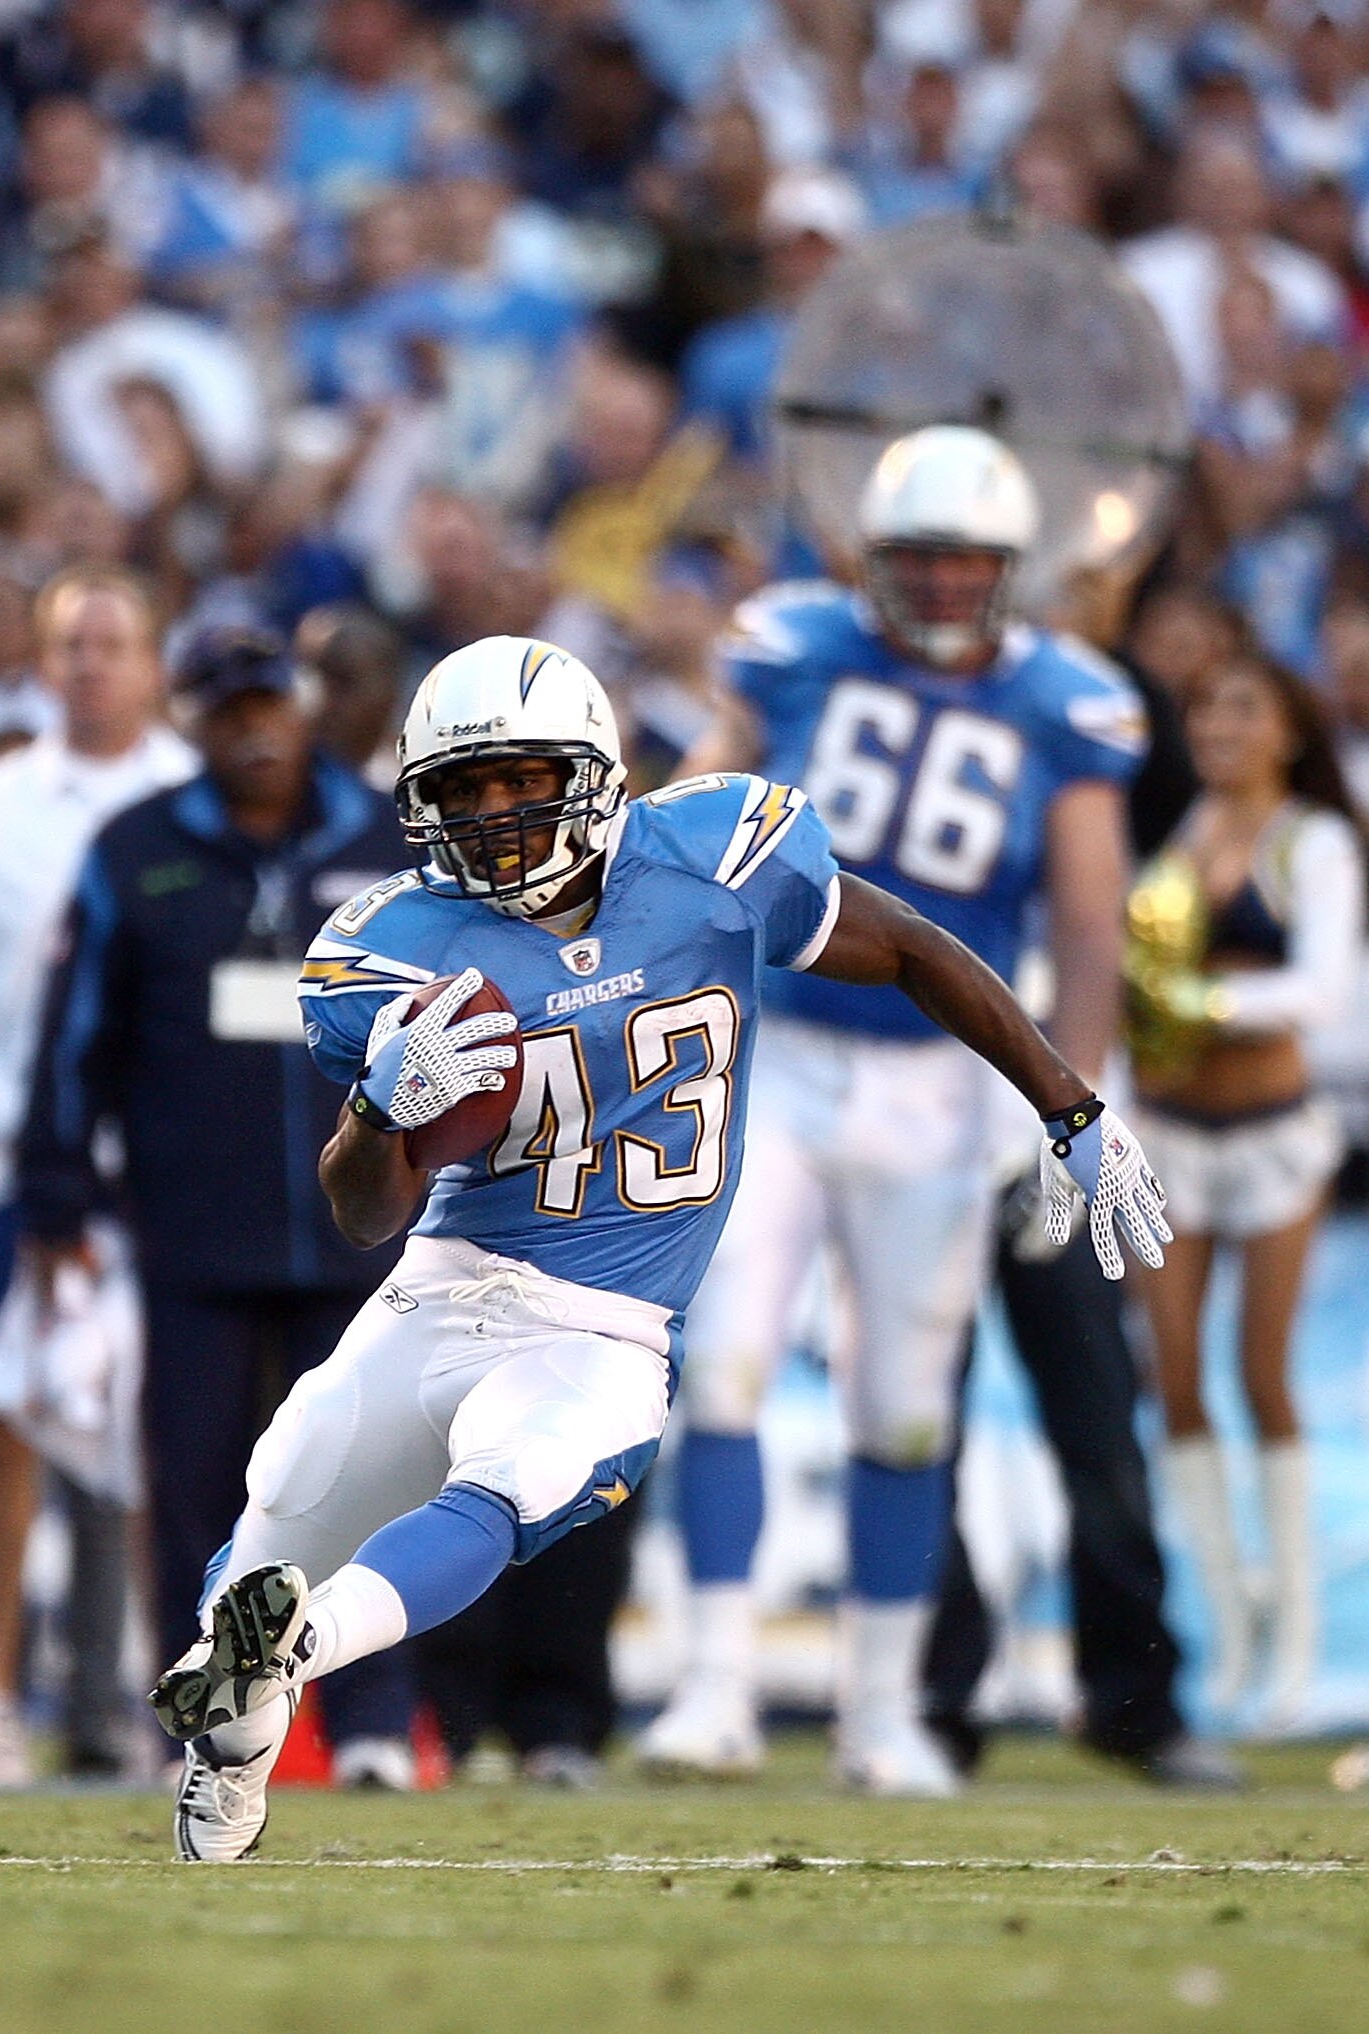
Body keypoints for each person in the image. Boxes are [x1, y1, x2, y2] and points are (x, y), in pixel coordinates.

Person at [149, 634, 1170, 1862]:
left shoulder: (713, 858)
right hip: (436, 1292)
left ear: (590, 772)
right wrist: (380, 1109)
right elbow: (363, 1213)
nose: (494, 815)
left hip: (600, 1330)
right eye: (462, 793)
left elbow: (912, 948)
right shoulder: (398, 945)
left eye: (520, 779)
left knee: (510, 1489)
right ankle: (240, 1743)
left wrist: (1071, 1103)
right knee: (267, 1531)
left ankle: (296, 1652)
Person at [642, 426, 1145, 1795]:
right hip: (783, 1054)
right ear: (871, 555)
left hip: (939, 1081)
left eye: (964, 560)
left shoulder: (1068, 699)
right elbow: (680, 821)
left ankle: (880, 1714)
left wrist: (1071, 1108)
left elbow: (1090, 928)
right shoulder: (794, 644)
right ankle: (714, 1688)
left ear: (1009, 567)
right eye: (915, 556)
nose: (936, 585)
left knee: (906, 1405)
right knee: (726, 1362)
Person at [16, 623, 416, 1788]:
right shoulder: (135, 849)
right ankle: (208, 1716)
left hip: (365, 1228)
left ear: (304, 707)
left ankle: (375, 1722)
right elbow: (71, 1037)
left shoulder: (389, 842)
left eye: (269, 707)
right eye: (228, 712)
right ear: (192, 721)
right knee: (198, 1484)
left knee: (371, 1471)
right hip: (191, 1224)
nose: (253, 733)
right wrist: (57, 1191)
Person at [0, 566, 195, 1785]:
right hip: (9, 1163)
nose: (89, 665)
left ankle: (168, 1701)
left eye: (113, 642)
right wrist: (27, 1123)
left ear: (153, 661)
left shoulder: (193, 803)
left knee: (175, 1428)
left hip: (162, 1167)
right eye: (70, 643)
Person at [1130, 653, 1365, 1730]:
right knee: (1175, 1383)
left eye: (1242, 708)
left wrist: (1196, 1000)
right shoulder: (1180, 835)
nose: (1219, 726)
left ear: (1286, 728)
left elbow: (1319, 991)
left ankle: (1298, 1654)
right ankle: (1225, 1644)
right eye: (1206, 707)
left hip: (1275, 1138)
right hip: (1175, 1135)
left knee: (1262, 1376)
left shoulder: (1312, 842)